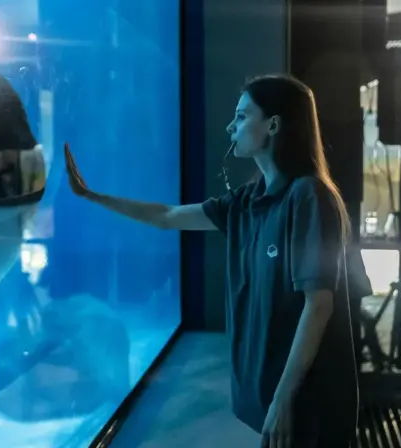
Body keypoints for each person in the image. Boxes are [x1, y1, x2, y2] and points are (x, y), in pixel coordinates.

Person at [65, 74, 359, 447]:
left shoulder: (308, 196)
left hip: (307, 404)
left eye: (240, 116)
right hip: (273, 402)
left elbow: (318, 305)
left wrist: (285, 398)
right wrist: (92, 196)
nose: (229, 126)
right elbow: (166, 216)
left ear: (273, 125)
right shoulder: (246, 201)